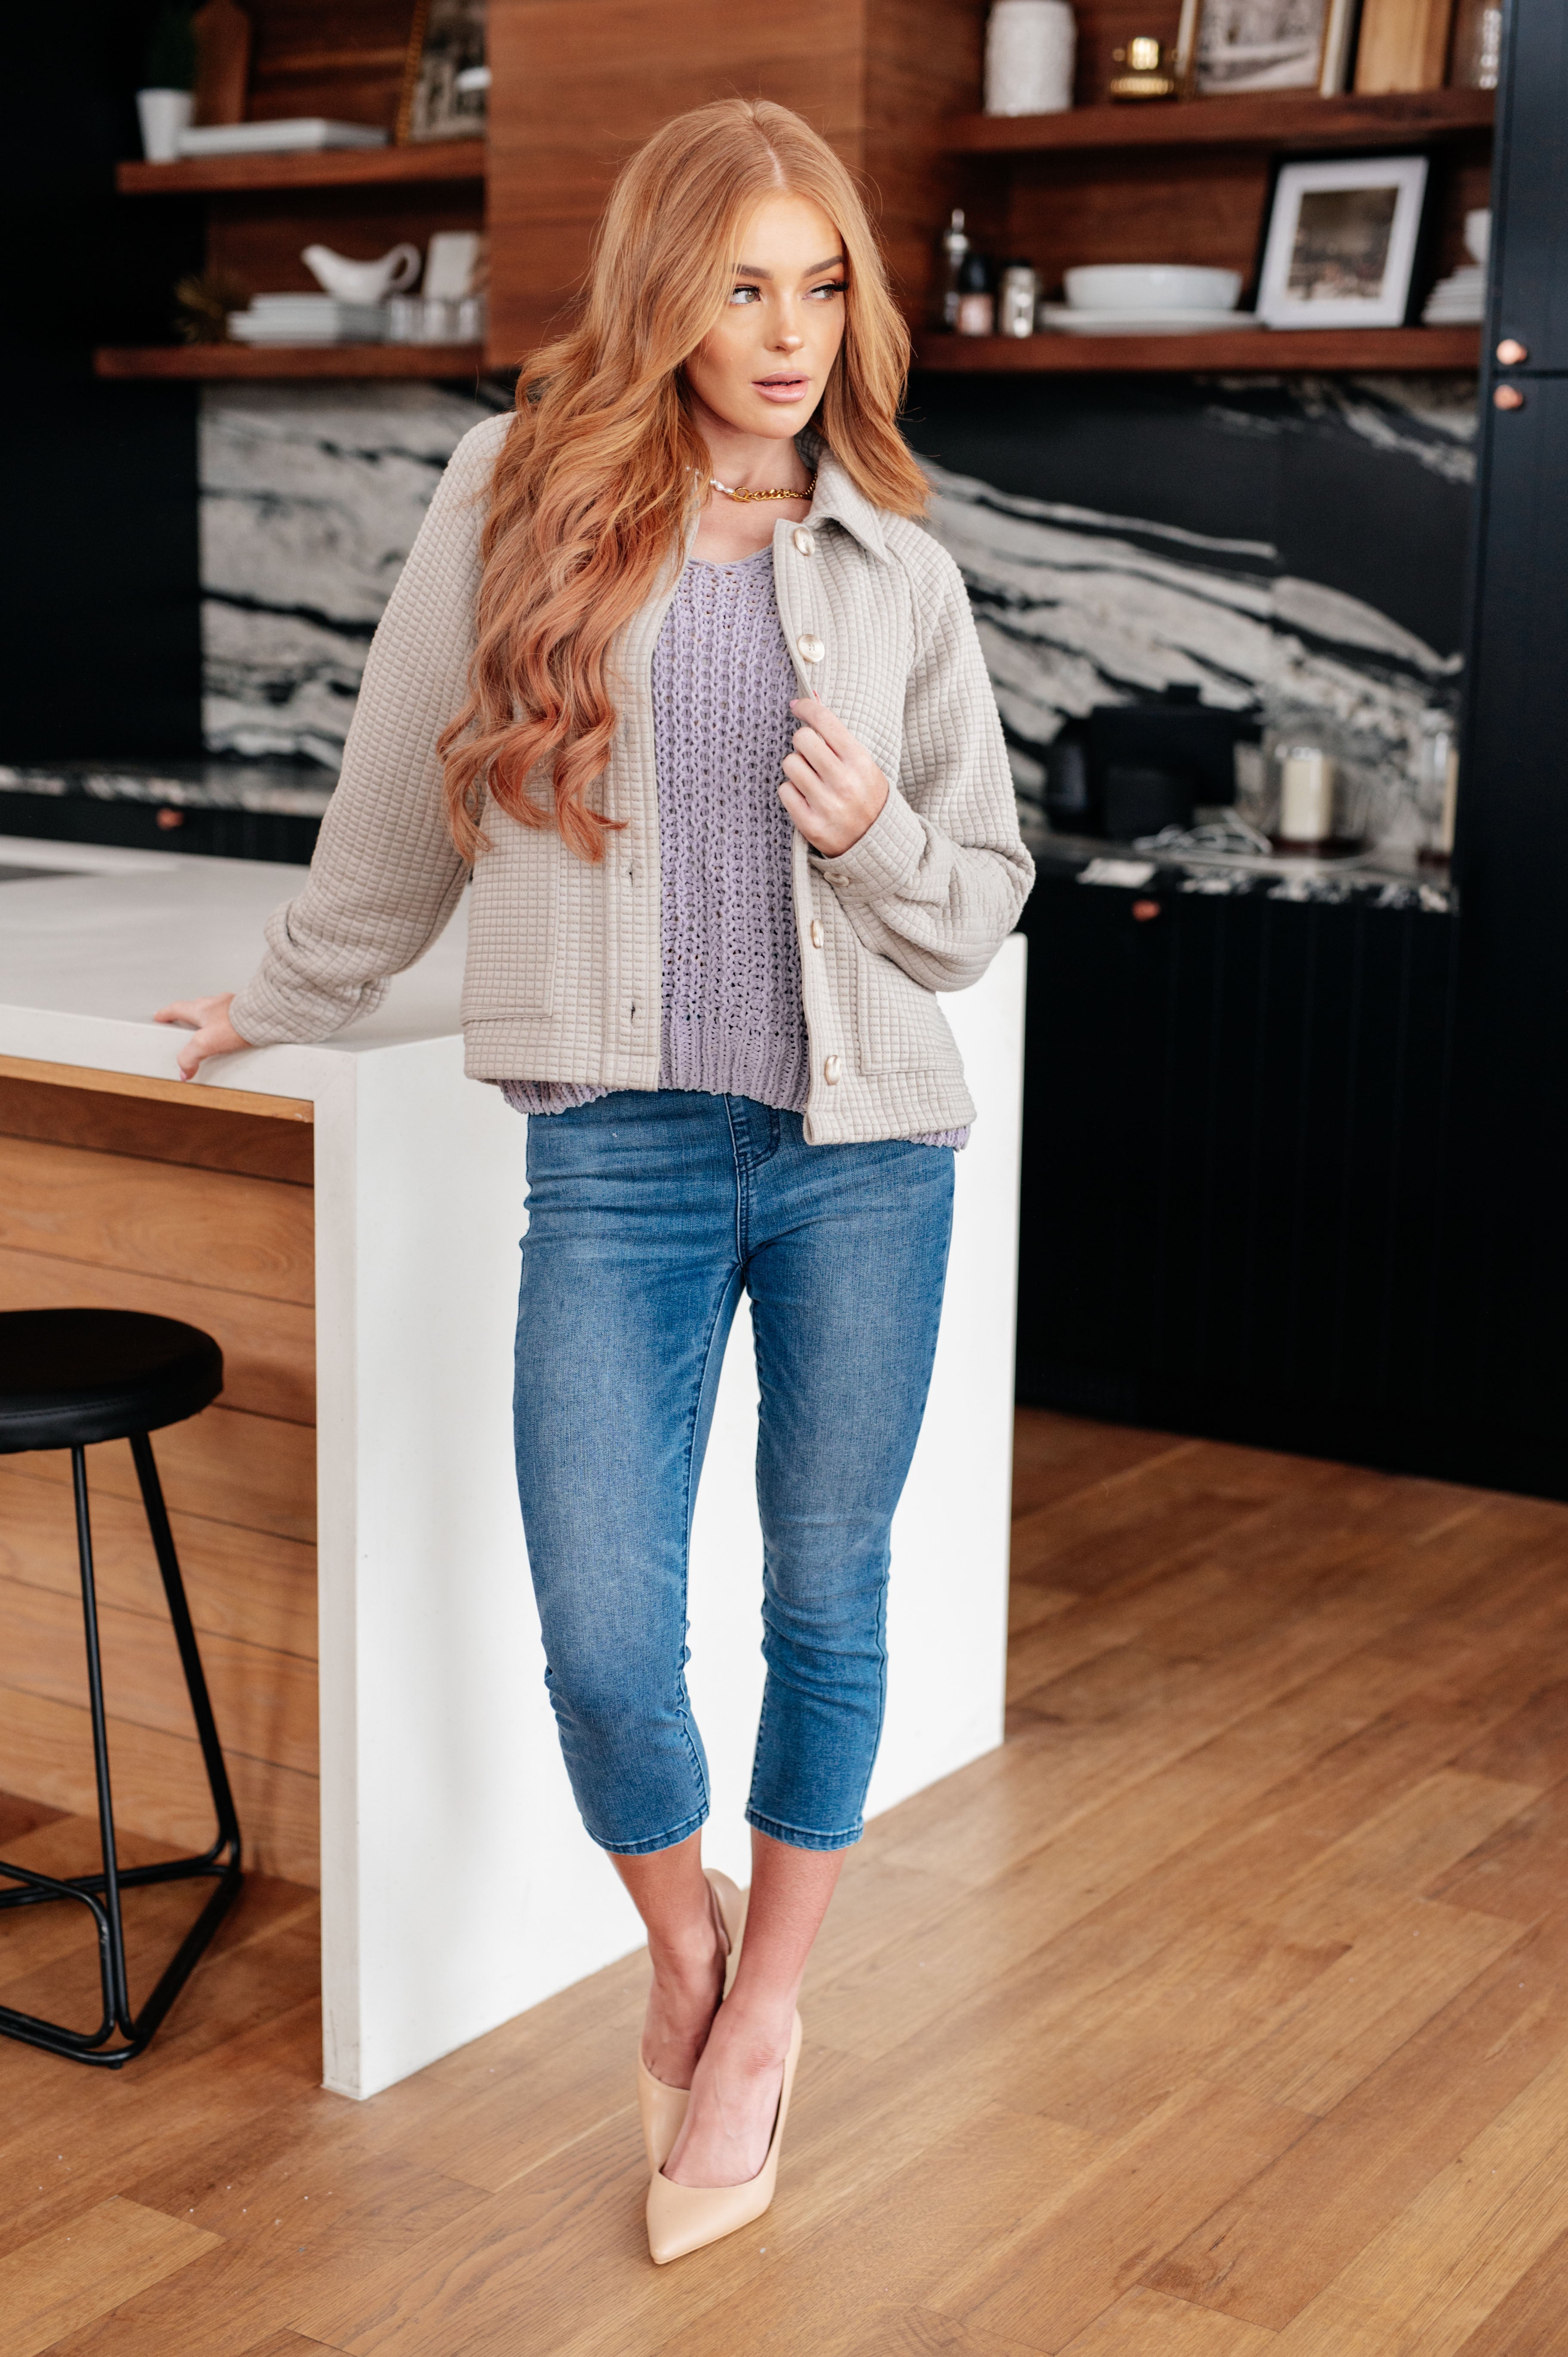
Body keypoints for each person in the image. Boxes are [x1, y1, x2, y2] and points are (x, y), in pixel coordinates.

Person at [158, 96, 1031, 2264]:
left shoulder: (900, 571)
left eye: (822, 283)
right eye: (744, 281)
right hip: (620, 1159)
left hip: (863, 1159)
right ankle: (683, 1945)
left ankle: (765, 2030)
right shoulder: (517, 497)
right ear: (663, 289)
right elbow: (394, 808)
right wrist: (280, 992)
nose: (791, 327)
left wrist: (872, 838)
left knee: (828, 1603)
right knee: (607, 1637)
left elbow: (980, 899)